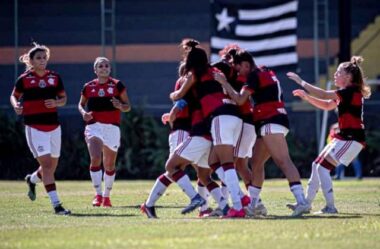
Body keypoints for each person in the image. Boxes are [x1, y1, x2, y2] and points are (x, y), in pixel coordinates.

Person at [214, 51, 309, 217]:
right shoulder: (265, 71)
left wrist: (224, 82)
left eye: (239, 68)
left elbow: (239, 99)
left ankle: (302, 201)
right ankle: (252, 204)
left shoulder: (253, 75)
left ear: (246, 65)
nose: (239, 73)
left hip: (270, 119)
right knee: (256, 163)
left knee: (283, 161)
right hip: (269, 120)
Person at [287, 55, 371, 213]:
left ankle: (330, 207)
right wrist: (307, 97)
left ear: (348, 77)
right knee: (316, 165)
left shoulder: (350, 91)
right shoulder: (345, 93)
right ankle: (306, 204)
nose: (335, 74)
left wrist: (301, 82)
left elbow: (325, 95)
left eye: (338, 72)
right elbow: (326, 105)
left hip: (352, 139)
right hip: (344, 138)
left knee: (323, 169)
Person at [171, 46, 245, 218]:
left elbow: (178, 95)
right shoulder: (216, 70)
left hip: (219, 116)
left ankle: (239, 204)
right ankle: (238, 201)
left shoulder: (194, 74)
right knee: (214, 162)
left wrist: (172, 95)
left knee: (226, 164)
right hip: (235, 115)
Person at [10, 42, 71, 215]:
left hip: (54, 126)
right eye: (38, 58)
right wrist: (16, 105)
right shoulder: (24, 79)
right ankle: (57, 205)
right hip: (34, 127)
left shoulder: (55, 77)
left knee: (51, 167)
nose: (42, 60)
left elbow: (64, 99)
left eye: (44, 57)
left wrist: (56, 102)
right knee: (46, 165)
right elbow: (14, 96)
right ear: (31, 60)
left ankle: (32, 179)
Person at [78, 57, 131, 207]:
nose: (104, 68)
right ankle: (98, 195)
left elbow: (128, 106)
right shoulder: (88, 87)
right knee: (95, 158)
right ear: (95, 70)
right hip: (94, 126)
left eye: (106, 66)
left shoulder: (117, 85)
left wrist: (120, 105)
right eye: (100, 66)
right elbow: (81, 104)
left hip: (112, 128)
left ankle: (107, 196)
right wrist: (83, 113)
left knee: (109, 164)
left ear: (110, 69)